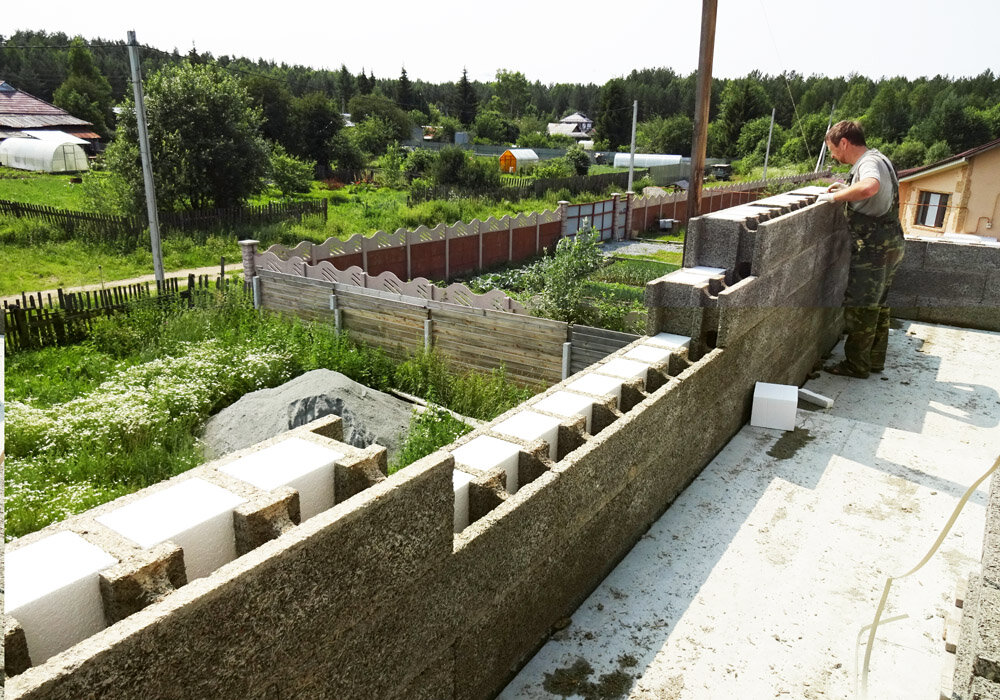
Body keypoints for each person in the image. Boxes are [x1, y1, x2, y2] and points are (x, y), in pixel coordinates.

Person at [816, 120, 905, 379]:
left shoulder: (868, 163)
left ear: (844, 142)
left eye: (833, 149)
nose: (833, 155)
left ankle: (857, 365)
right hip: (891, 243)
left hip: (874, 249)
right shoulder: (878, 158)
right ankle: (874, 360)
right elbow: (873, 194)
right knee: (878, 304)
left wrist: (834, 197)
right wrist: (847, 189)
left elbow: (870, 187)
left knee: (861, 306)